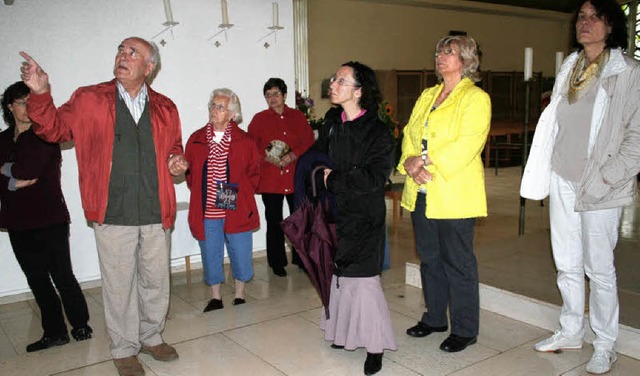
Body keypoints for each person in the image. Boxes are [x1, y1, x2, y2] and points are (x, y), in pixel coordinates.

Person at [19, 37, 188, 376]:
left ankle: (151, 336)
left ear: (149, 66)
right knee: (119, 284)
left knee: (156, 280)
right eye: (121, 50)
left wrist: (175, 160)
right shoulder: (89, 98)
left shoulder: (166, 107)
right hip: (113, 211)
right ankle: (124, 348)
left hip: (156, 209)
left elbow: (174, 146)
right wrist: (40, 93)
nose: (123, 56)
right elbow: (54, 129)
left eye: (133, 53)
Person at [521, 1, 640, 373]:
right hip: (563, 178)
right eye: (581, 18)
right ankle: (571, 330)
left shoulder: (629, 71)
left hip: (601, 183)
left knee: (600, 268)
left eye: (595, 17)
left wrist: (609, 174)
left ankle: (605, 343)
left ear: (611, 25)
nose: (585, 23)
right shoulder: (571, 66)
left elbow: (636, 135)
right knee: (567, 263)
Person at [399, 35, 490, 353]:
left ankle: (465, 329)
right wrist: (410, 162)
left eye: (448, 52)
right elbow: (410, 133)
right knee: (430, 259)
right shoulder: (427, 94)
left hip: (453, 191)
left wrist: (425, 164)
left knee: (458, 261)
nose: (440, 56)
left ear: (465, 60)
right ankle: (435, 317)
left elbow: (468, 144)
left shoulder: (476, 98)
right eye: (438, 51)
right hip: (421, 190)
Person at [316, 61, 397, 376]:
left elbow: (375, 177)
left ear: (359, 91)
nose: (332, 84)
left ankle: (375, 346)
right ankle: (343, 333)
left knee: (363, 282)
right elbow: (318, 157)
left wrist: (333, 179)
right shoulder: (332, 121)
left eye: (340, 80)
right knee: (339, 277)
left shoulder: (377, 131)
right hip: (335, 213)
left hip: (363, 217)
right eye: (334, 78)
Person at [0, 81, 92, 353]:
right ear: (10, 107)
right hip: (17, 221)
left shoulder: (46, 135)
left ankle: (80, 324)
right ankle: (55, 332)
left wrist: (6, 169)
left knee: (63, 275)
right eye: (22, 103)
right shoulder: (2, 140)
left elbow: (29, 169)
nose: (28, 109)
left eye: (32, 103)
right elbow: (21, 176)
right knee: (37, 279)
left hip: (50, 218)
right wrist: (13, 182)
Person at [184, 88, 261, 313]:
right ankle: (216, 297)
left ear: (232, 114)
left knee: (239, 249)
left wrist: (243, 194)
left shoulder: (244, 140)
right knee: (210, 251)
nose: (213, 110)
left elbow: (254, 173)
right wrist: (202, 192)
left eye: (220, 107)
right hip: (207, 207)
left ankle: (239, 294)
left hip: (234, 203)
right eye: (212, 106)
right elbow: (190, 174)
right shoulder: (196, 139)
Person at [248, 78, 315, 277]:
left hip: (295, 176)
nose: (272, 98)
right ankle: (277, 262)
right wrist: (267, 157)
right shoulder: (259, 119)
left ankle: (302, 259)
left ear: (285, 96)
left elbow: (308, 139)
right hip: (271, 179)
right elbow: (251, 146)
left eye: (276, 94)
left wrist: (293, 155)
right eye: (268, 95)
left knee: (299, 219)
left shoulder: (297, 117)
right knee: (274, 220)